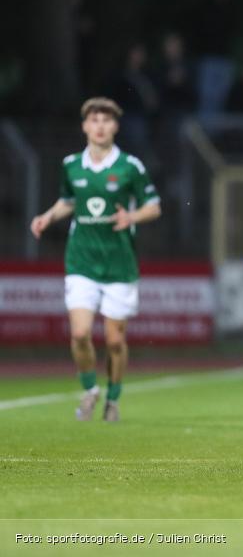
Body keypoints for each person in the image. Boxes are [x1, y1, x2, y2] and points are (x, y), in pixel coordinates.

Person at [30, 97, 162, 422]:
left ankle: (113, 398)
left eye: (106, 120)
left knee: (115, 341)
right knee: (79, 334)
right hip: (82, 261)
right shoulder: (71, 164)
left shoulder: (130, 166)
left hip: (119, 263)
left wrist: (130, 218)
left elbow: (154, 206)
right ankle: (90, 390)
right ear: (85, 126)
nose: (100, 126)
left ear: (115, 126)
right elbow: (68, 201)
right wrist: (47, 217)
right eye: (94, 120)